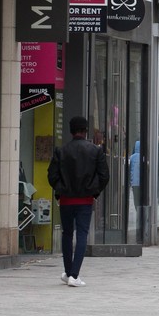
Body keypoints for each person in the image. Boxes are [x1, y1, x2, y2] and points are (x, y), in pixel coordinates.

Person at [47, 116, 109, 287]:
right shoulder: (95, 151)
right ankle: (75, 274)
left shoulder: (61, 151)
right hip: (85, 199)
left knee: (67, 234)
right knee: (82, 234)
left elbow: (52, 175)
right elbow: (104, 176)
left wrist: (60, 191)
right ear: (85, 130)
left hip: (66, 199)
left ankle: (68, 273)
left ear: (71, 131)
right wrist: (94, 192)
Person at [129, 140, 141, 207]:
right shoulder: (143, 157)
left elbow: (130, 169)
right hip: (141, 183)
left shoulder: (132, 157)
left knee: (136, 199)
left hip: (134, 183)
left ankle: (137, 211)